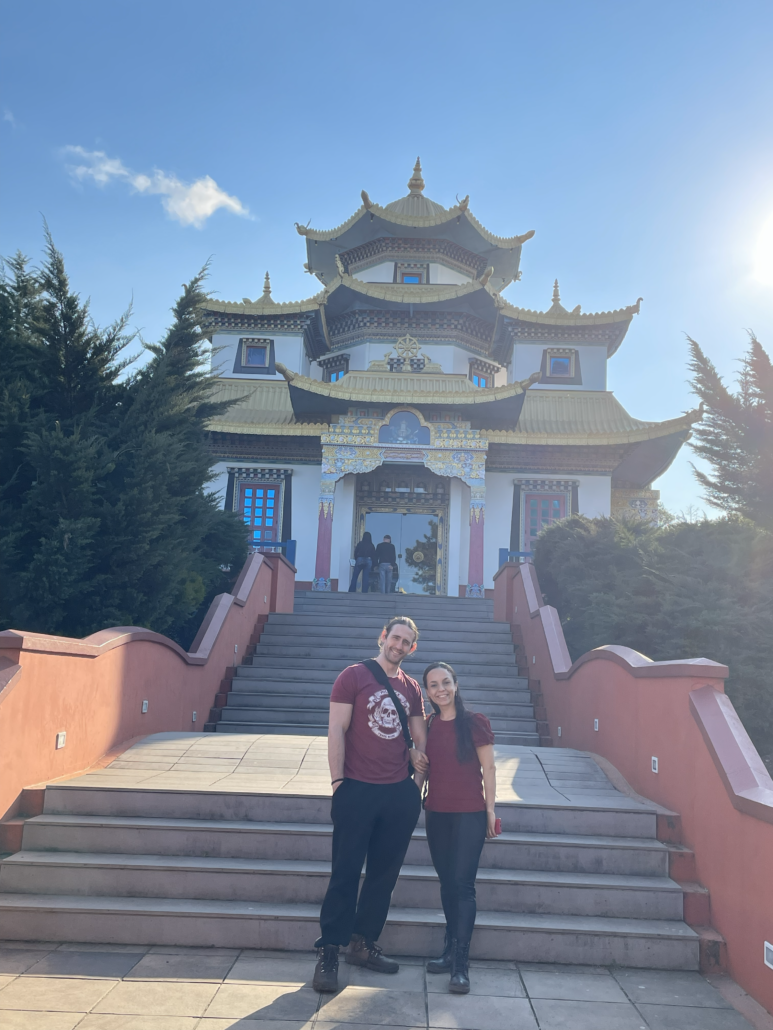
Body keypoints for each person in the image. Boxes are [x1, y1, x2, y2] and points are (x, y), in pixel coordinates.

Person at [312, 616, 429, 993]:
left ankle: (362, 945)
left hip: (397, 794)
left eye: (406, 642)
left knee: (383, 876)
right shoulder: (353, 676)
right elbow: (336, 730)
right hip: (357, 788)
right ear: (383, 637)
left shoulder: (412, 687)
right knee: (345, 873)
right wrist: (338, 784)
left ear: (412, 648)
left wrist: (415, 789)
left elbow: (421, 739)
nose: (399, 645)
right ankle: (329, 951)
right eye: (395, 637)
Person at [419, 661, 497, 995]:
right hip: (436, 813)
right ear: (427, 692)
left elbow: (489, 768)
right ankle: (449, 949)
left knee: (463, 886)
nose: (441, 689)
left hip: (469, 815)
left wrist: (490, 811)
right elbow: (422, 767)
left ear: (456, 684)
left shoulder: (474, 722)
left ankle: (461, 964)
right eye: (434, 685)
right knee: (447, 884)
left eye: (446, 682)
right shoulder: (428, 725)